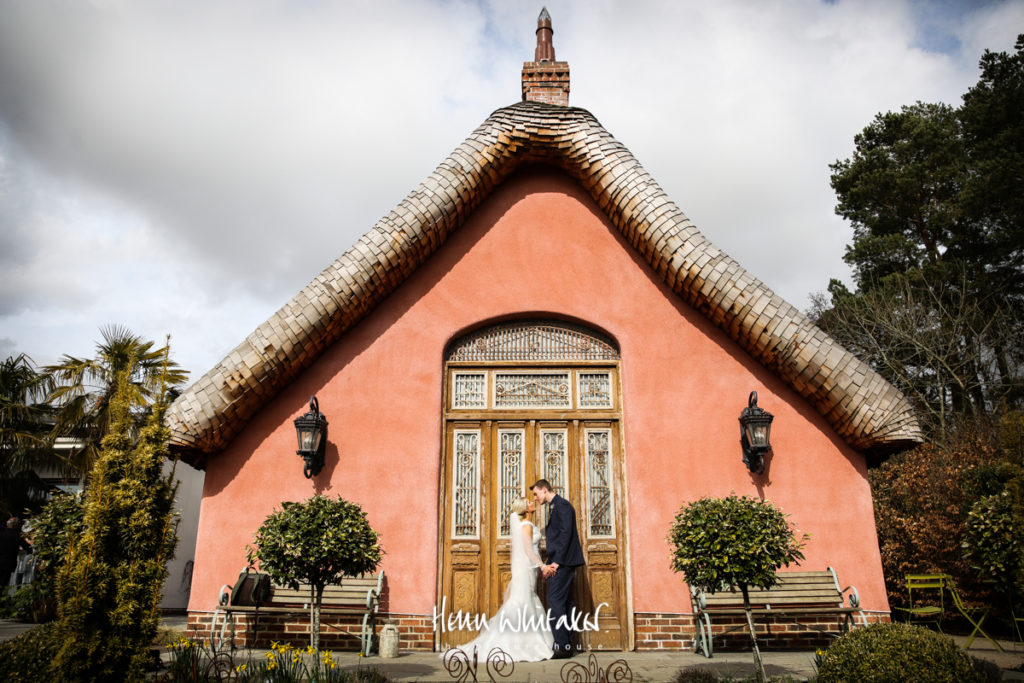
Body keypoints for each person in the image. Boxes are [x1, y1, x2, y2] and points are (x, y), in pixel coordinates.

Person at [450, 497, 553, 662]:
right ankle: (524, 643)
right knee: (522, 601)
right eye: (529, 503)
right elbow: (527, 549)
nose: (532, 503)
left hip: (529, 568)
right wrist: (542, 566)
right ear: (525, 509)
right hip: (527, 568)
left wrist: (538, 567)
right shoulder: (526, 526)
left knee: (524, 600)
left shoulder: (525, 525)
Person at [531, 479, 586, 659]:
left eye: (536, 493)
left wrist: (557, 562)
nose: (535, 497)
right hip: (560, 561)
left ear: (544, 490)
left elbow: (566, 535)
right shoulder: (555, 506)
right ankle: (567, 644)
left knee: (555, 602)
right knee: (566, 603)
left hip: (562, 563)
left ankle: (562, 646)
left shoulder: (562, 506)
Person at [0, 517, 32, 590]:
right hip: (8, 564)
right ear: (15, 526)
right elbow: (28, 548)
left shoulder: (1, 533)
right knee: (3, 584)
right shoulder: (16, 535)